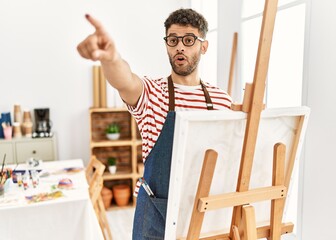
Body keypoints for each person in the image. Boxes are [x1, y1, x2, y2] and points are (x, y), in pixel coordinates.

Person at [77, 8, 233, 239]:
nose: (180, 46)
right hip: (155, 216)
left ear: (203, 46)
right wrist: (111, 58)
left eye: (189, 40)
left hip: (207, 213)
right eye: (173, 40)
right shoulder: (152, 92)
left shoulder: (223, 101)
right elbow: (125, 81)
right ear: (167, 44)